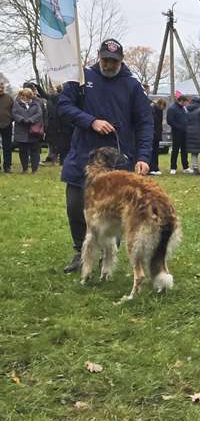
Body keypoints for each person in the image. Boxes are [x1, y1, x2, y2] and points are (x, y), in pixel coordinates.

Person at [58, 38, 153, 273]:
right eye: (105, 60)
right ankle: (81, 251)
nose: (109, 65)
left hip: (117, 158)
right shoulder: (81, 78)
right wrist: (91, 121)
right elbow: (63, 106)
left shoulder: (132, 86)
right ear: (99, 57)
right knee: (76, 204)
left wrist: (143, 157)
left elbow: (145, 123)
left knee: (114, 210)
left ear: (121, 61)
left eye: (114, 61)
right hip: (83, 154)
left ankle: (107, 256)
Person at [12, 88, 44, 173]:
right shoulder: (16, 104)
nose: (25, 97)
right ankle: (25, 168)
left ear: (30, 96)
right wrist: (22, 119)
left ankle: (34, 169)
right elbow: (14, 114)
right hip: (21, 130)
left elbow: (39, 114)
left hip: (33, 131)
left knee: (35, 151)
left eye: (27, 96)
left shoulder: (36, 104)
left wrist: (31, 120)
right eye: (23, 96)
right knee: (23, 151)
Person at [166, 94, 189, 174]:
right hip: (176, 133)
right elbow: (170, 121)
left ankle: (186, 167)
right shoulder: (172, 109)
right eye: (185, 102)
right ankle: (173, 167)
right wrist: (179, 127)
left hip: (184, 132)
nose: (186, 104)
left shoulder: (183, 108)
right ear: (181, 101)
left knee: (184, 150)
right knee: (175, 150)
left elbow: (186, 118)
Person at [149, 98, 166, 175]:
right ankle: (152, 168)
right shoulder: (153, 110)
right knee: (152, 152)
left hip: (157, 133)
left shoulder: (158, 110)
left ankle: (155, 168)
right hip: (153, 133)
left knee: (155, 152)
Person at [0, 82, 14, 173]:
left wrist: (10, 120)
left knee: (7, 147)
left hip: (7, 125)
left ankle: (7, 166)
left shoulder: (9, 98)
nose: (0, 89)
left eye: (1, 87)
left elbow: (14, 111)